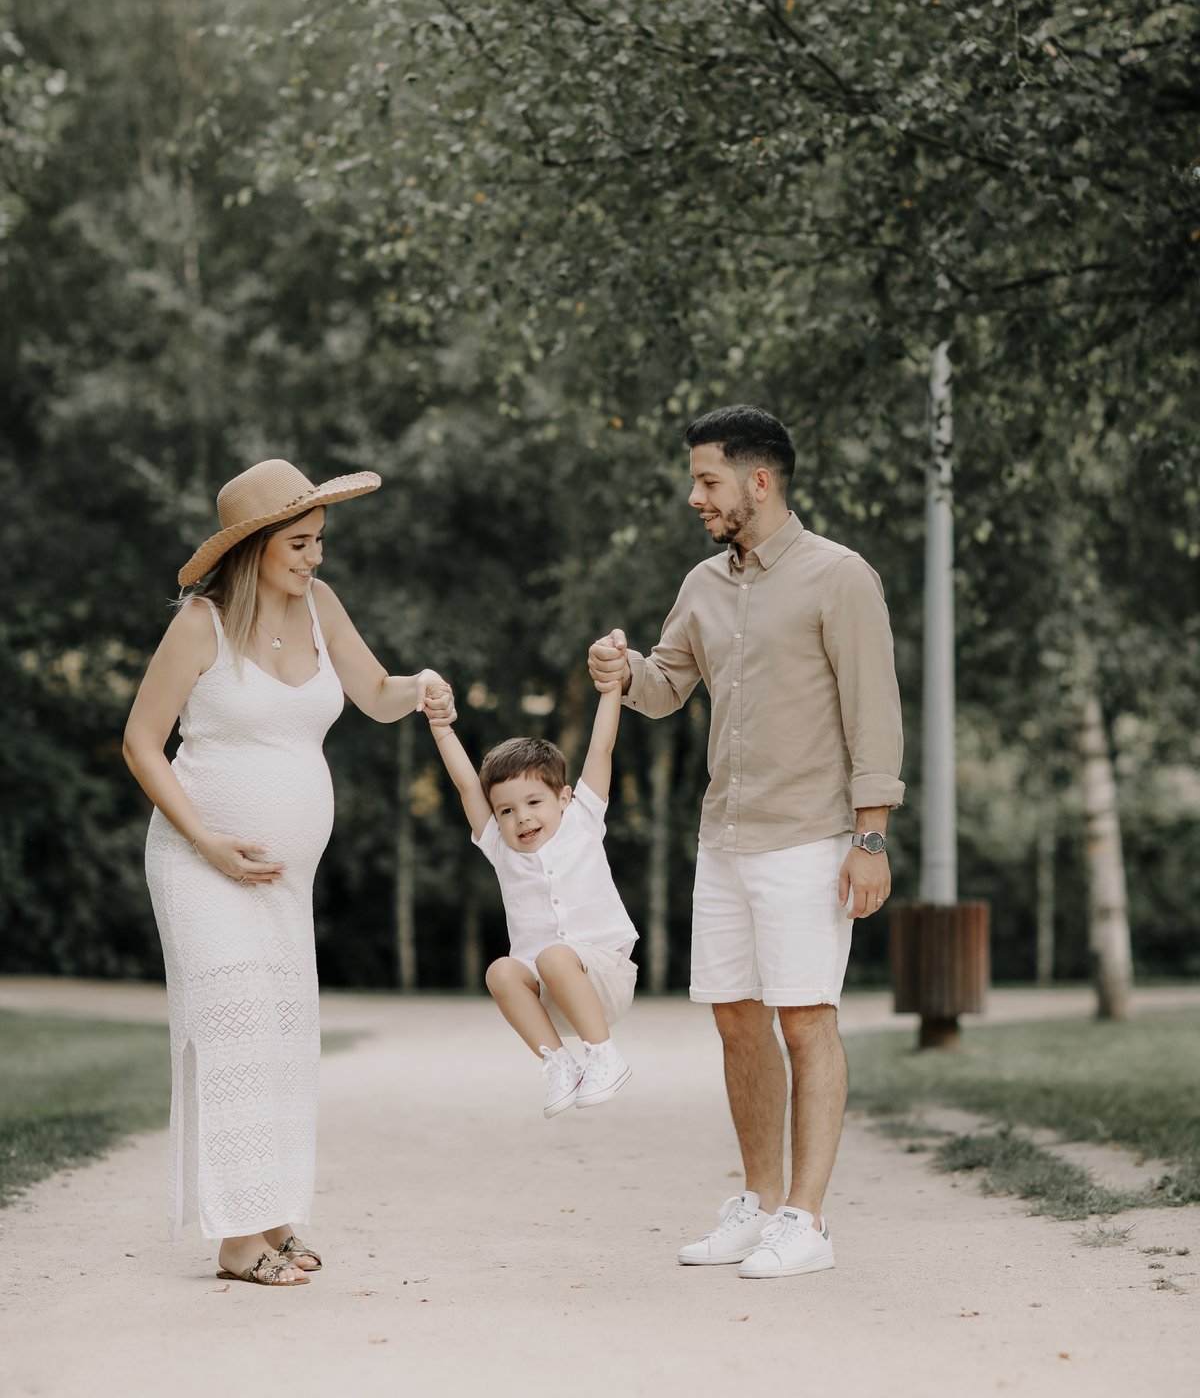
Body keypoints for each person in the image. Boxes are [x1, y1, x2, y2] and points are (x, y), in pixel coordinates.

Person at [587, 405, 903, 1279]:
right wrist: (622, 672)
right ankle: (760, 1206)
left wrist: (871, 839)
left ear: (758, 481)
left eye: (708, 480)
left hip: (810, 836)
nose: (695, 497)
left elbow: (874, 714)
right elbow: (665, 686)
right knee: (735, 1019)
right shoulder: (702, 584)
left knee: (806, 1019)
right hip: (723, 837)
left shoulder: (840, 577)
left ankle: (807, 1220)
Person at [123, 459, 447, 1287]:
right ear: (255, 546)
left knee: (278, 1037)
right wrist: (206, 841)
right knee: (233, 1029)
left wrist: (421, 688)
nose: (315, 557)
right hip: (199, 862)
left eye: (319, 541)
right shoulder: (200, 625)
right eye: (300, 543)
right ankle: (238, 1241)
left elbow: (376, 692)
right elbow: (140, 742)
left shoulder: (321, 607)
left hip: (280, 881)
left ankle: (269, 1217)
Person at [425, 676, 637, 1117]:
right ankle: (561, 1065)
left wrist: (611, 687)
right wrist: (440, 726)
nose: (521, 818)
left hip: (604, 979)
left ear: (563, 798)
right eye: (506, 810)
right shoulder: (501, 847)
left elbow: (601, 748)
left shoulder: (582, 819)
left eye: (534, 803)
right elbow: (467, 786)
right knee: (501, 970)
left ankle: (605, 1055)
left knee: (554, 955)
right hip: (549, 995)